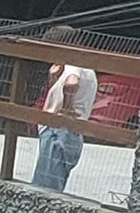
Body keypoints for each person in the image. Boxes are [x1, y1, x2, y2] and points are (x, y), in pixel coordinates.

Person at [30, 30, 100, 194]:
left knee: (44, 189)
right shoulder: (87, 68)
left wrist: (67, 109)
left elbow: (72, 83)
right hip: (72, 132)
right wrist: (54, 78)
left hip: (59, 131)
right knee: (53, 183)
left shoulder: (73, 65)